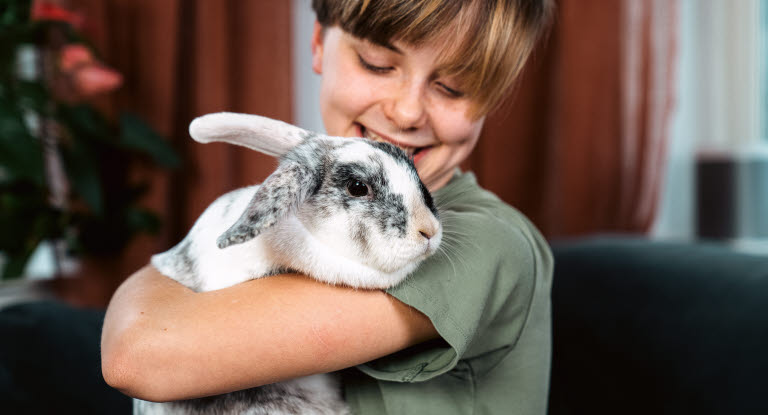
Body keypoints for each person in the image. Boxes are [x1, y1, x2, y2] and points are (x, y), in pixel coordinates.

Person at [101, 0, 555, 413]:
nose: (406, 112)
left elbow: (141, 356)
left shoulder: (483, 241)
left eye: (453, 86)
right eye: (377, 64)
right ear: (318, 43)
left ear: (494, 96)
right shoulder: (317, 201)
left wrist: (180, 261)